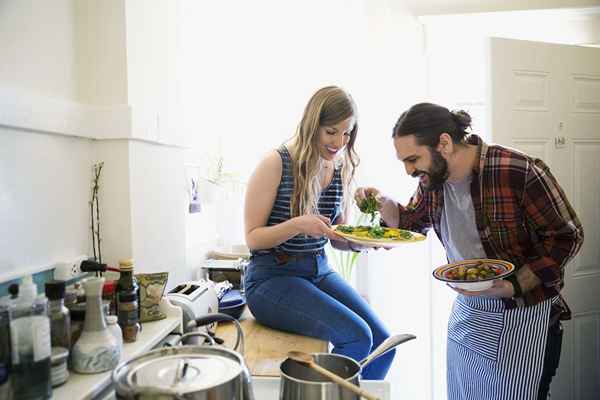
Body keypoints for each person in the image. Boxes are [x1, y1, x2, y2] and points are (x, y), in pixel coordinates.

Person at [355, 103, 584, 399]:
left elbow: (567, 236)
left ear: (445, 144)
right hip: (469, 313)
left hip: (525, 314)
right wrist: (383, 202)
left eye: (413, 159)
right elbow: (412, 223)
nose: (409, 170)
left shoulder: (518, 171)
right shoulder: (432, 182)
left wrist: (516, 284)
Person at [243, 86, 395, 379]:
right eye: (331, 132)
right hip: (271, 279)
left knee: (384, 344)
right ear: (312, 125)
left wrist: (367, 241)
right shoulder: (276, 163)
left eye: (347, 133)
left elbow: (338, 237)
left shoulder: (339, 168)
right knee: (357, 337)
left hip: (318, 270)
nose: (339, 142)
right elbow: (253, 237)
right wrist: (299, 224)